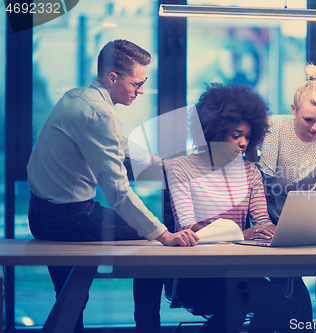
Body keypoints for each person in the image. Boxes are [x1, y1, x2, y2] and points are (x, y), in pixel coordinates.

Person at [27, 39, 198, 333]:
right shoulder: (102, 114)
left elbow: (119, 147)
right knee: (152, 244)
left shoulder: (77, 97)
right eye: (137, 83)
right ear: (113, 78)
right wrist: (163, 234)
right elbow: (117, 191)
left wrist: (162, 164)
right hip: (69, 220)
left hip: (41, 214)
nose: (141, 90)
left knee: (70, 300)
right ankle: (148, 328)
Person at [166, 82, 289, 333]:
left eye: (247, 136)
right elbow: (188, 228)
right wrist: (240, 234)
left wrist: (271, 229)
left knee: (275, 301)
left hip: (236, 271)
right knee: (240, 303)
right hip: (196, 273)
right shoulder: (181, 168)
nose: (244, 143)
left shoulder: (250, 172)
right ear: (214, 131)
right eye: (236, 135)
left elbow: (262, 220)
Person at [256, 64, 316, 331]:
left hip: (310, 215)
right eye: (308, 119)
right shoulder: (276, 126)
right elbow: (265, 181)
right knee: (285, 285)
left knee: (294, 285)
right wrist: (268, 222)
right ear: (294, 109)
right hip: (271, 214)